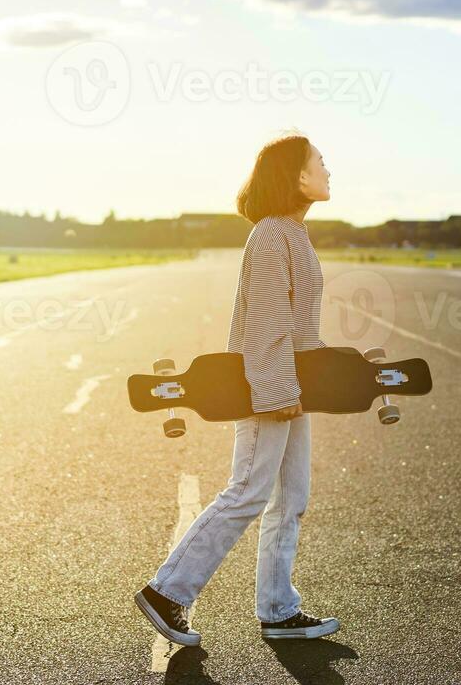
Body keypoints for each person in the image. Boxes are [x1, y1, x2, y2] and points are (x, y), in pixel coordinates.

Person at [134, 133, 339, 646]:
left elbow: (297, 324)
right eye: (321, 163)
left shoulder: (292, 232)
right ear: (296, 176)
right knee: (248, 490)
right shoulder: (272, 234)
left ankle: (278, 608)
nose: (329, 171)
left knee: (290, 497)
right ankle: (167, 592)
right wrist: (274, 387)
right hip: (271, 385)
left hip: (294, 384)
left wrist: (318, 376)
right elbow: (265, 323)